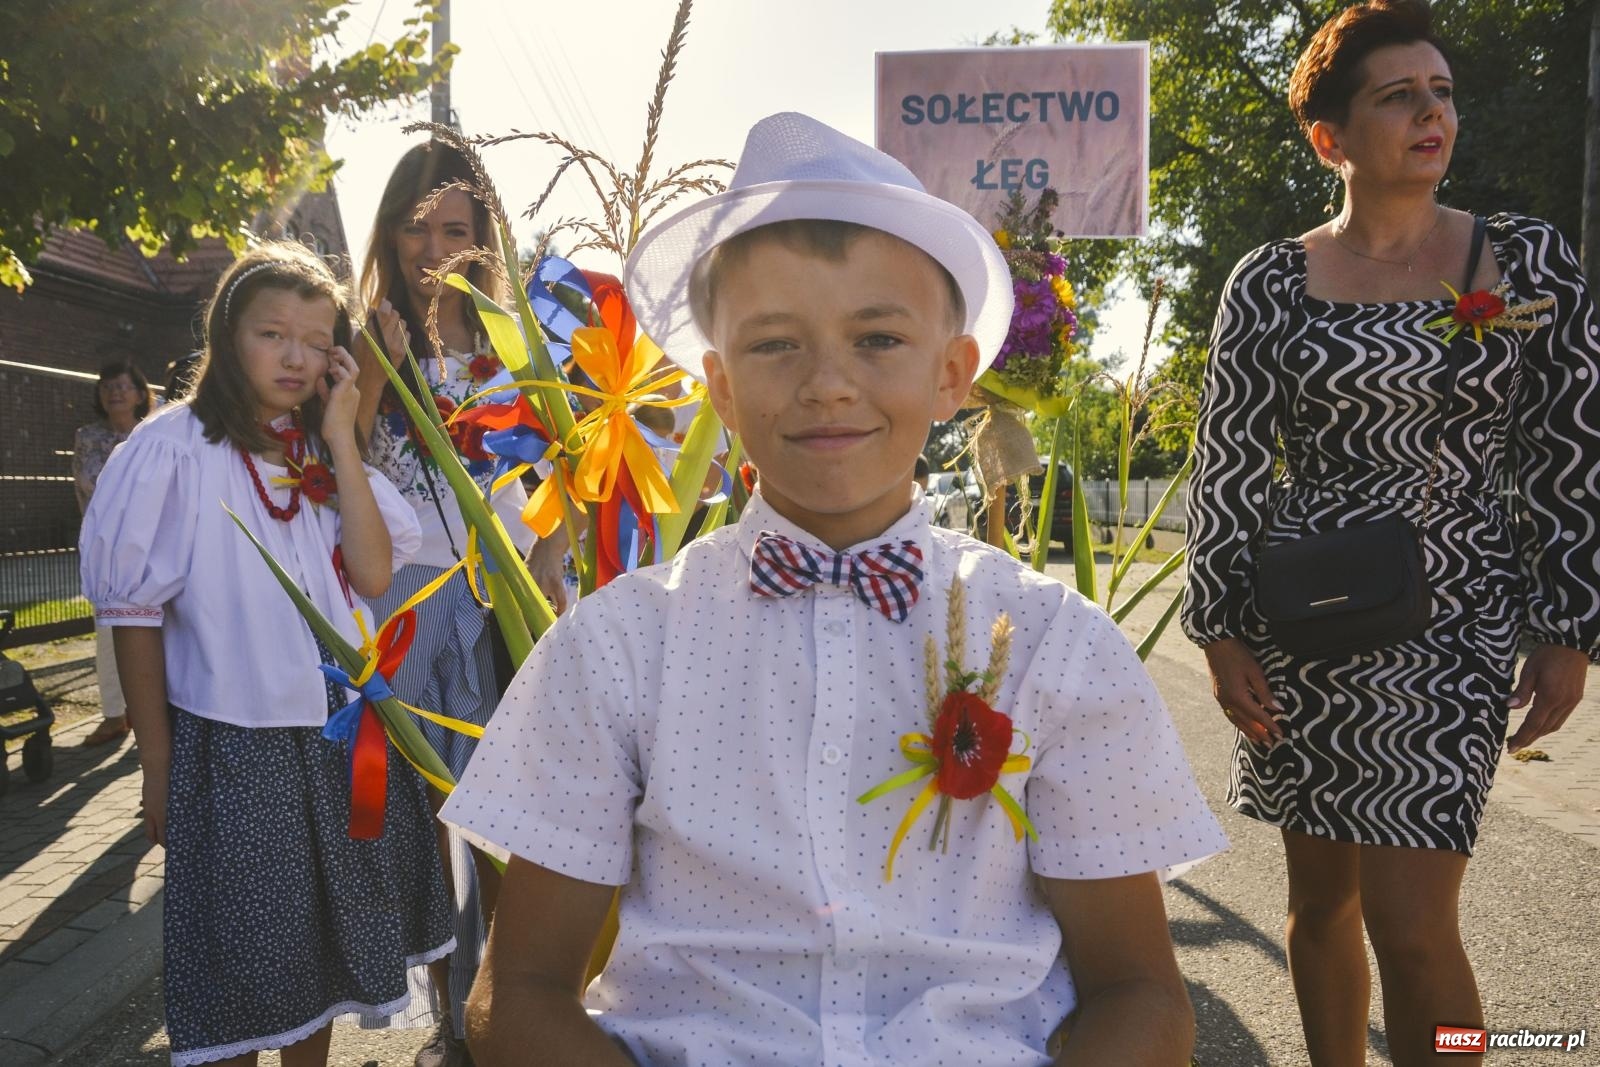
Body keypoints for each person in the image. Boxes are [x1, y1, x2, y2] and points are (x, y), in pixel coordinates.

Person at [443, 112, 1228, 1067]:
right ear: (721, 391)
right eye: (775, 345)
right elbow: (518, 990)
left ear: (952, 375)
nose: (827, 384)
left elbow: (1140, 991)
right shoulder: (618, 647)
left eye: (878, 339)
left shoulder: (1057, 646)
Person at [1181, 4, 1600, 1065]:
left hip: (1456, 611)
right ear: (1330, 137)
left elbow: (1568, 453)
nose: (1431, 113)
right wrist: (1221, 627)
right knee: (1321, 903)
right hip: (1305, 615)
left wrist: (1569, 622)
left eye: (1442, 92)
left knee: (1412, 925)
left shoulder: (1527, 261)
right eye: (1398, 95)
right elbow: (1229, 460)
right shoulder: (1270, 281)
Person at [79, 242, 454, 1067]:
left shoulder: (316, 447)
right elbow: (135, 615)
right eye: (272, 333)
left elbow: (372, 570)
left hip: (332, 732)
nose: (296, 356)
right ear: (226, 334)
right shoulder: (171, 448)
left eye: (318, 341)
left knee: (315, 948)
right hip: (234, 740)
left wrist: (342, 439)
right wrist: (157, 760)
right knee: (241, 953)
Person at [352, 139, 564, 1067]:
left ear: (485, 237)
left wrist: (550, 563)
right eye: (413, 230)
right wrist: (376, 371)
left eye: (454, 230)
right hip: (408, 604)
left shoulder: (516, 342)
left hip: (505, 601)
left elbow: (564, 461)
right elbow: (341, 466)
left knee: (508, 815)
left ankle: (507, 1006)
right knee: (421, 812)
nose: (432, 250)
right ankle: (449, 1018)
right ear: (388, 236)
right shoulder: (367, 336)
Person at [73, 359, 156, 746]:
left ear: (141, 394)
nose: (114, 393)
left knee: (159, 632)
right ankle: (113, 715)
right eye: (106, 387)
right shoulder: (88, 437)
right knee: (110, 632)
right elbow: (88, 487)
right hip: (110, 550)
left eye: (122, 386)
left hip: (154, 545)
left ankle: (154, 715)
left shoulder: (155, 434)